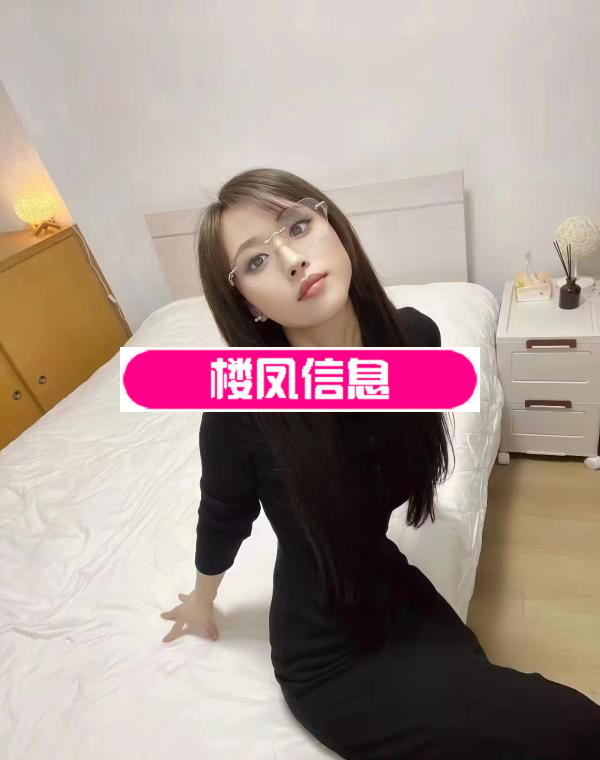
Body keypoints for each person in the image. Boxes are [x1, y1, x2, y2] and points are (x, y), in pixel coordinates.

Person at [160, 167, 600, 759]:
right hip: (326, 657)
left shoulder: (416, 339)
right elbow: (223, 513)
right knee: (577, 728)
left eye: (298, 226)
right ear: (246, 301)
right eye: (256, 261)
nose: (291, 259)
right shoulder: (243, 409)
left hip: (393, 590)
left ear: (334, 227)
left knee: (509, 707)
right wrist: (202, 597)